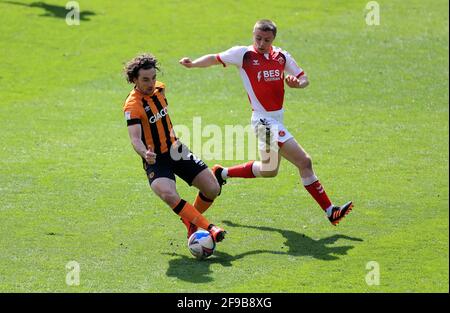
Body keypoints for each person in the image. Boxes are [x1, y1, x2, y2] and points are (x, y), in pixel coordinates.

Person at [179, 20, 353, 225]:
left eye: (266, 40)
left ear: (274, 39)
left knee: (270, 170)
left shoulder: (281, 56)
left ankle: (221, 173)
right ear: (253, 35)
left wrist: (298, 85)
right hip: (263, 121)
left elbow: (303, 77)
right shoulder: (243, 54)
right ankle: (330, 210)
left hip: (276, 119)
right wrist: (193, 64)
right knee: (304, 162)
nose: (261, 43)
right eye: (258, 38)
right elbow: (215, 58)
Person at [122, 53, 226, 241]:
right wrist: (145, 153)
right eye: (145, 80)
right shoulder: (132, 106)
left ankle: (191, 220)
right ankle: (210, 228)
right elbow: (135, 139)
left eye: (153, 77)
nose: (151, 83)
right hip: (155, 159)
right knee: (168, 194)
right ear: (134, 79)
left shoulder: (160, 90)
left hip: (176, 149)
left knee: (212, 189)